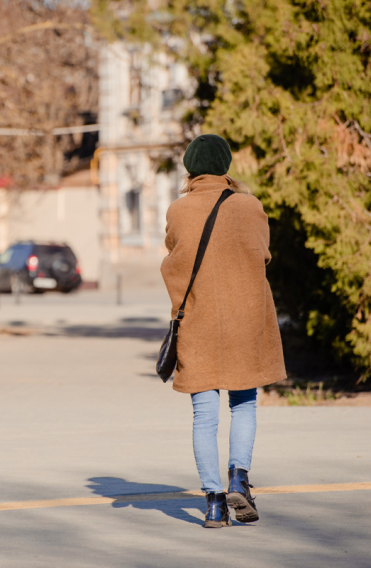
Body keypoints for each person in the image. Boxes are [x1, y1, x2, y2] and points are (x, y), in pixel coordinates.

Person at [160, 134, 286, 528]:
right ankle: (239, 478)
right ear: (226, 167)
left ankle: (214, 503)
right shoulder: (250, 206)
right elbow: (263, 254)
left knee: (204, 416)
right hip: (245, 322)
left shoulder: (178, 210)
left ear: (190, 169)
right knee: (244, 402)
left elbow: (173, 258)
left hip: (197, 321)